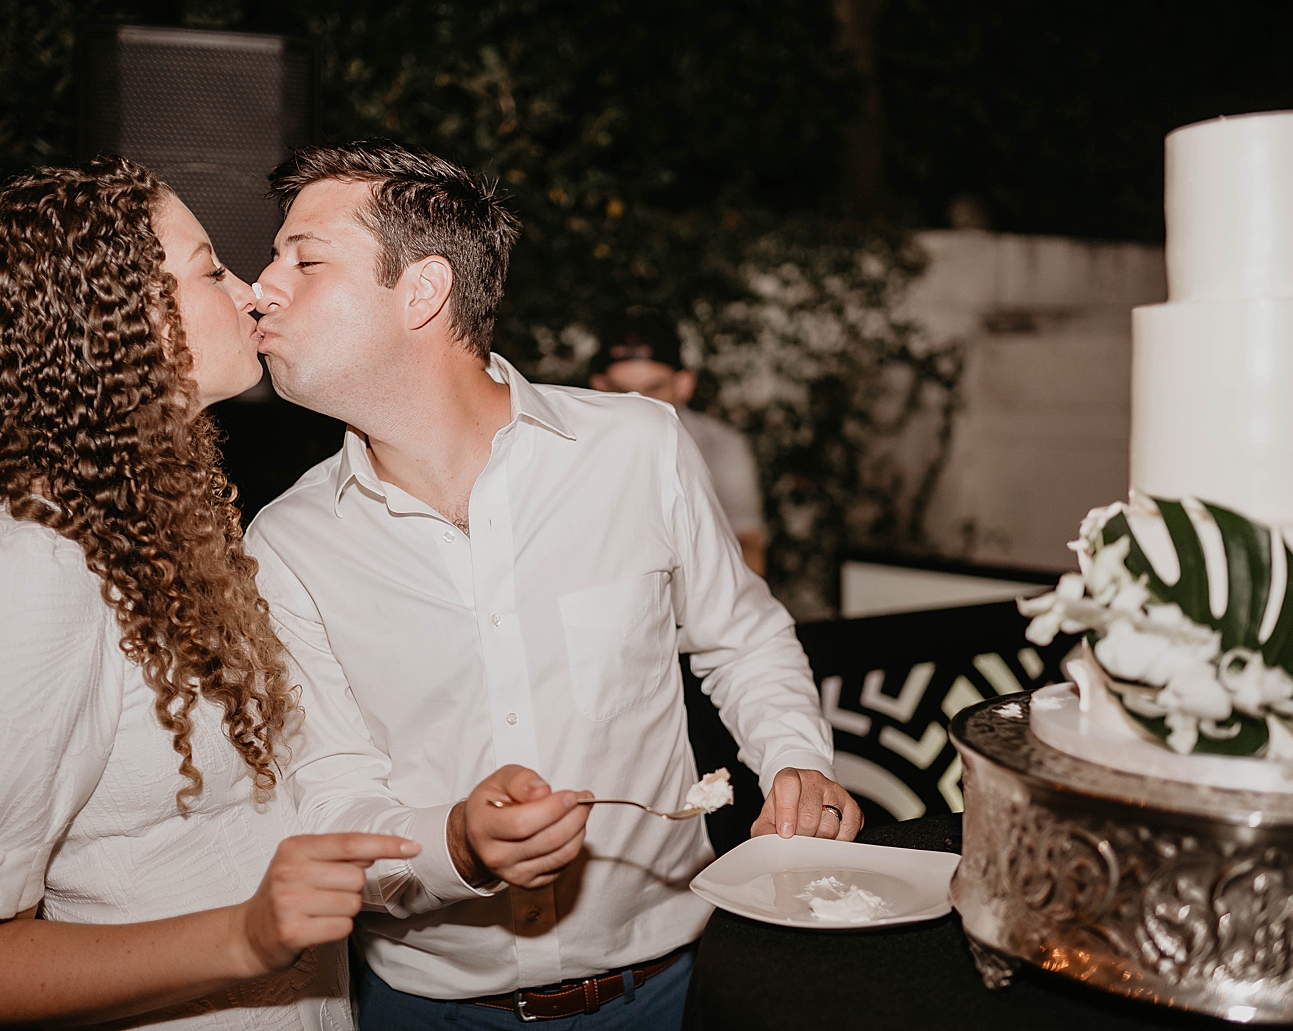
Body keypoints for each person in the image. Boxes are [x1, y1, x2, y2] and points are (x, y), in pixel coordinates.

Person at [245, 139, 862, 1031]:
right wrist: (457, 843)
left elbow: (743, 635)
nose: (260, 288)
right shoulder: (288, 540)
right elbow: (331, 796)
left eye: (304, 260)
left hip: (673, 992)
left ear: (422, 291)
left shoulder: (638, 447)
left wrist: (796, 757)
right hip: (426, 1011)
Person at [0, 158, 417, 1029]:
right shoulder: (22, 569)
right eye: (209, 269)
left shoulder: (158, 535)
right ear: (122, 318)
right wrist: (245, 936)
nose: (250, 292)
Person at [589, 314, 768, 576]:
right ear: (599, 387)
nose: (638, 405)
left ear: (683, 385)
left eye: (653, 389)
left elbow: (749, 549)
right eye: (621, 392)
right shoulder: (577, 445)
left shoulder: (720, 446)